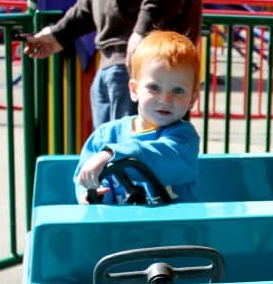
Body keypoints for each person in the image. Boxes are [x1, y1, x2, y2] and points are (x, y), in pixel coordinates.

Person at [23, 0, 203, 129]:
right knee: (108, 149)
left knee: (134, 153)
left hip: (150, 61)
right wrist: (59, 34)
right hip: (113, 58)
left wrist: (143, 29)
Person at [73, 30, 201, 205]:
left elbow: (162, 158)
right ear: (134, 90)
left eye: (178, 90)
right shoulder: (105, 135)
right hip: (118, 229)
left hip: (170, 230)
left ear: (192, 99)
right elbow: (86, 174)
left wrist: (112, 154)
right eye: (154, 88)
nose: (165, 99)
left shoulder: (184, 138)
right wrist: (90, 192)